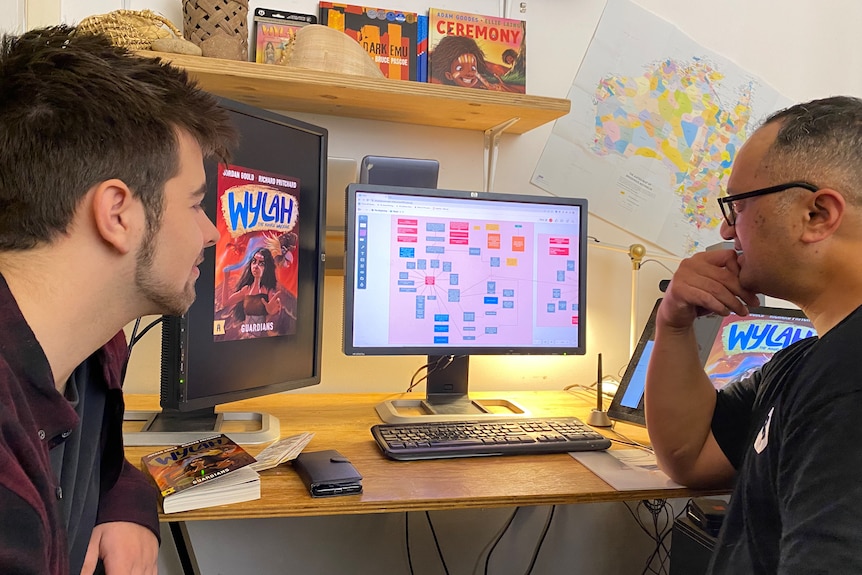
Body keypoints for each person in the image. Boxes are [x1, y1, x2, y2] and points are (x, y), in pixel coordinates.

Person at [0, 25, 236, 575]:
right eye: (197, 203)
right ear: (117, 214)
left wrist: (128, 506)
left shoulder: (89, 344)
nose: (211, 233)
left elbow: (103, 465)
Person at [644, 95, 862, 574]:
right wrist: (674, 321)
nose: (726, 229)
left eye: (738, 206)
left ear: (818, 215)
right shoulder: (808, 362)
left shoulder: (847, 386)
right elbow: (689, 457)